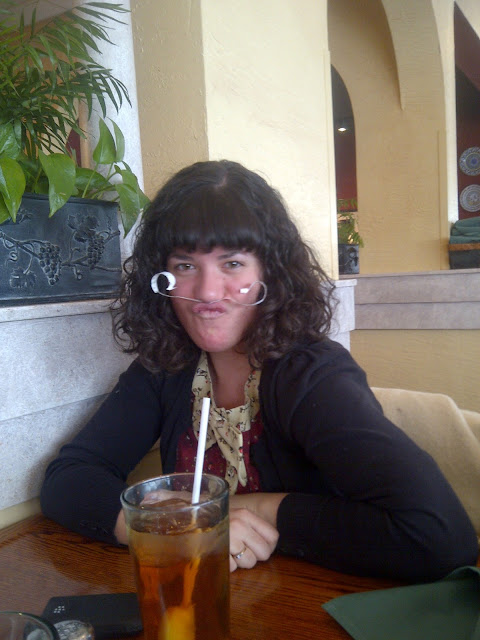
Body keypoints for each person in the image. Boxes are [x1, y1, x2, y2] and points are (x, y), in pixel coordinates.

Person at [40, 160, 478, 581]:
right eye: (185, 265)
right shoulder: (167, 365)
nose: (207, 292)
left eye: (232, 263)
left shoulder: (312, 376)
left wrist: (248, 511)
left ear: (271, 271)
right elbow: (69, 477)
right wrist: (163, 526)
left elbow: (438, 538)